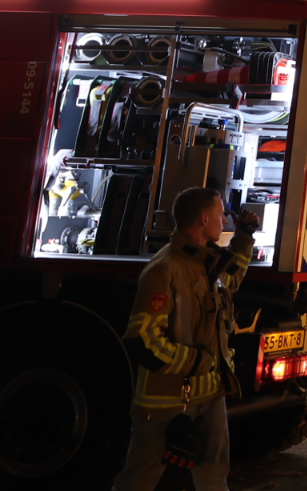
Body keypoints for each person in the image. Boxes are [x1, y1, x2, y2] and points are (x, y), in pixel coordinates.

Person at [112, 186, 259, 491]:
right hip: (164, 402)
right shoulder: (164, 270)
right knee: (139, 478)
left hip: (209, 393)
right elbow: (143, 339)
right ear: (204, 219)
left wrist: (245, 237)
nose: (225, 222)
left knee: (214, 474)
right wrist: (198, 361)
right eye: (221, 216)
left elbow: (230, 281)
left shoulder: (205, 263)